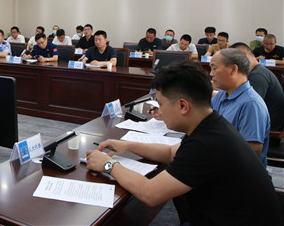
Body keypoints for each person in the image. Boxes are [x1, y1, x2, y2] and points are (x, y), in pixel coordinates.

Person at [86, 61, 281, 226]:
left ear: (182, 105)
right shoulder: (211, 124)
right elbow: (171, 153)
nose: (159, 110)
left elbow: (150, 193)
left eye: (161, 104)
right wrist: (128, 145)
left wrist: (108, 165)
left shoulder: (206, 144)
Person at [210, 49, 270, 167]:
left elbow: (253, 150)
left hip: (239, 172)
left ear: (233, 69)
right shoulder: (222, 95)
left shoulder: (251, 103)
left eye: (214, 68)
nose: (211, 74)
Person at [232, 42, 284, 131]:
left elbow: (250, 106)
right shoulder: (255, 72)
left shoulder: (258, 76)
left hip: (266, 130)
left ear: (244, 55)